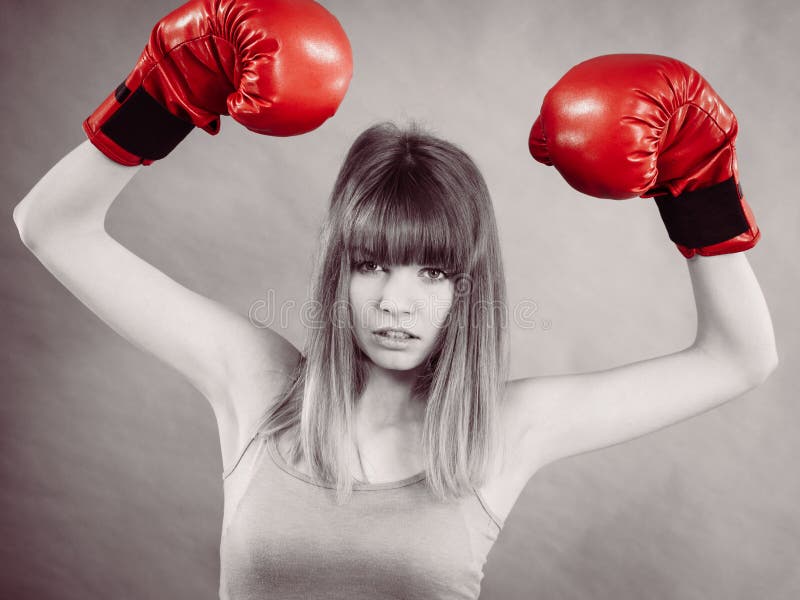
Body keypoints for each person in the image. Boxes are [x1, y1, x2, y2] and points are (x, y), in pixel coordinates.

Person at [12, 0, 777, 597]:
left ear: (467, 288)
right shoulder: (259, 387)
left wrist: (698, 185)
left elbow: (739, 359)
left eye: (433, 273)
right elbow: (52, 228)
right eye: (372, 264)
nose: (396, 303)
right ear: (336, 272)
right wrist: (165, 93)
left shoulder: (503, 431)